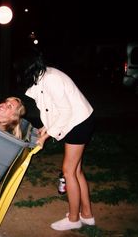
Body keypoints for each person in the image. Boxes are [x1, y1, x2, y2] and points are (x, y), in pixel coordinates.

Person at [19, 53, 95, 231]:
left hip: (78, 122)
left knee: (68, 172)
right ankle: (87, 215)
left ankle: (74, 219)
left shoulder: (50, 79)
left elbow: (65, 111)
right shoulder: (44, 76)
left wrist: (46, 135)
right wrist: (46, 128)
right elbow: (51, 108)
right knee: (76, 171)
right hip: (78, 121)